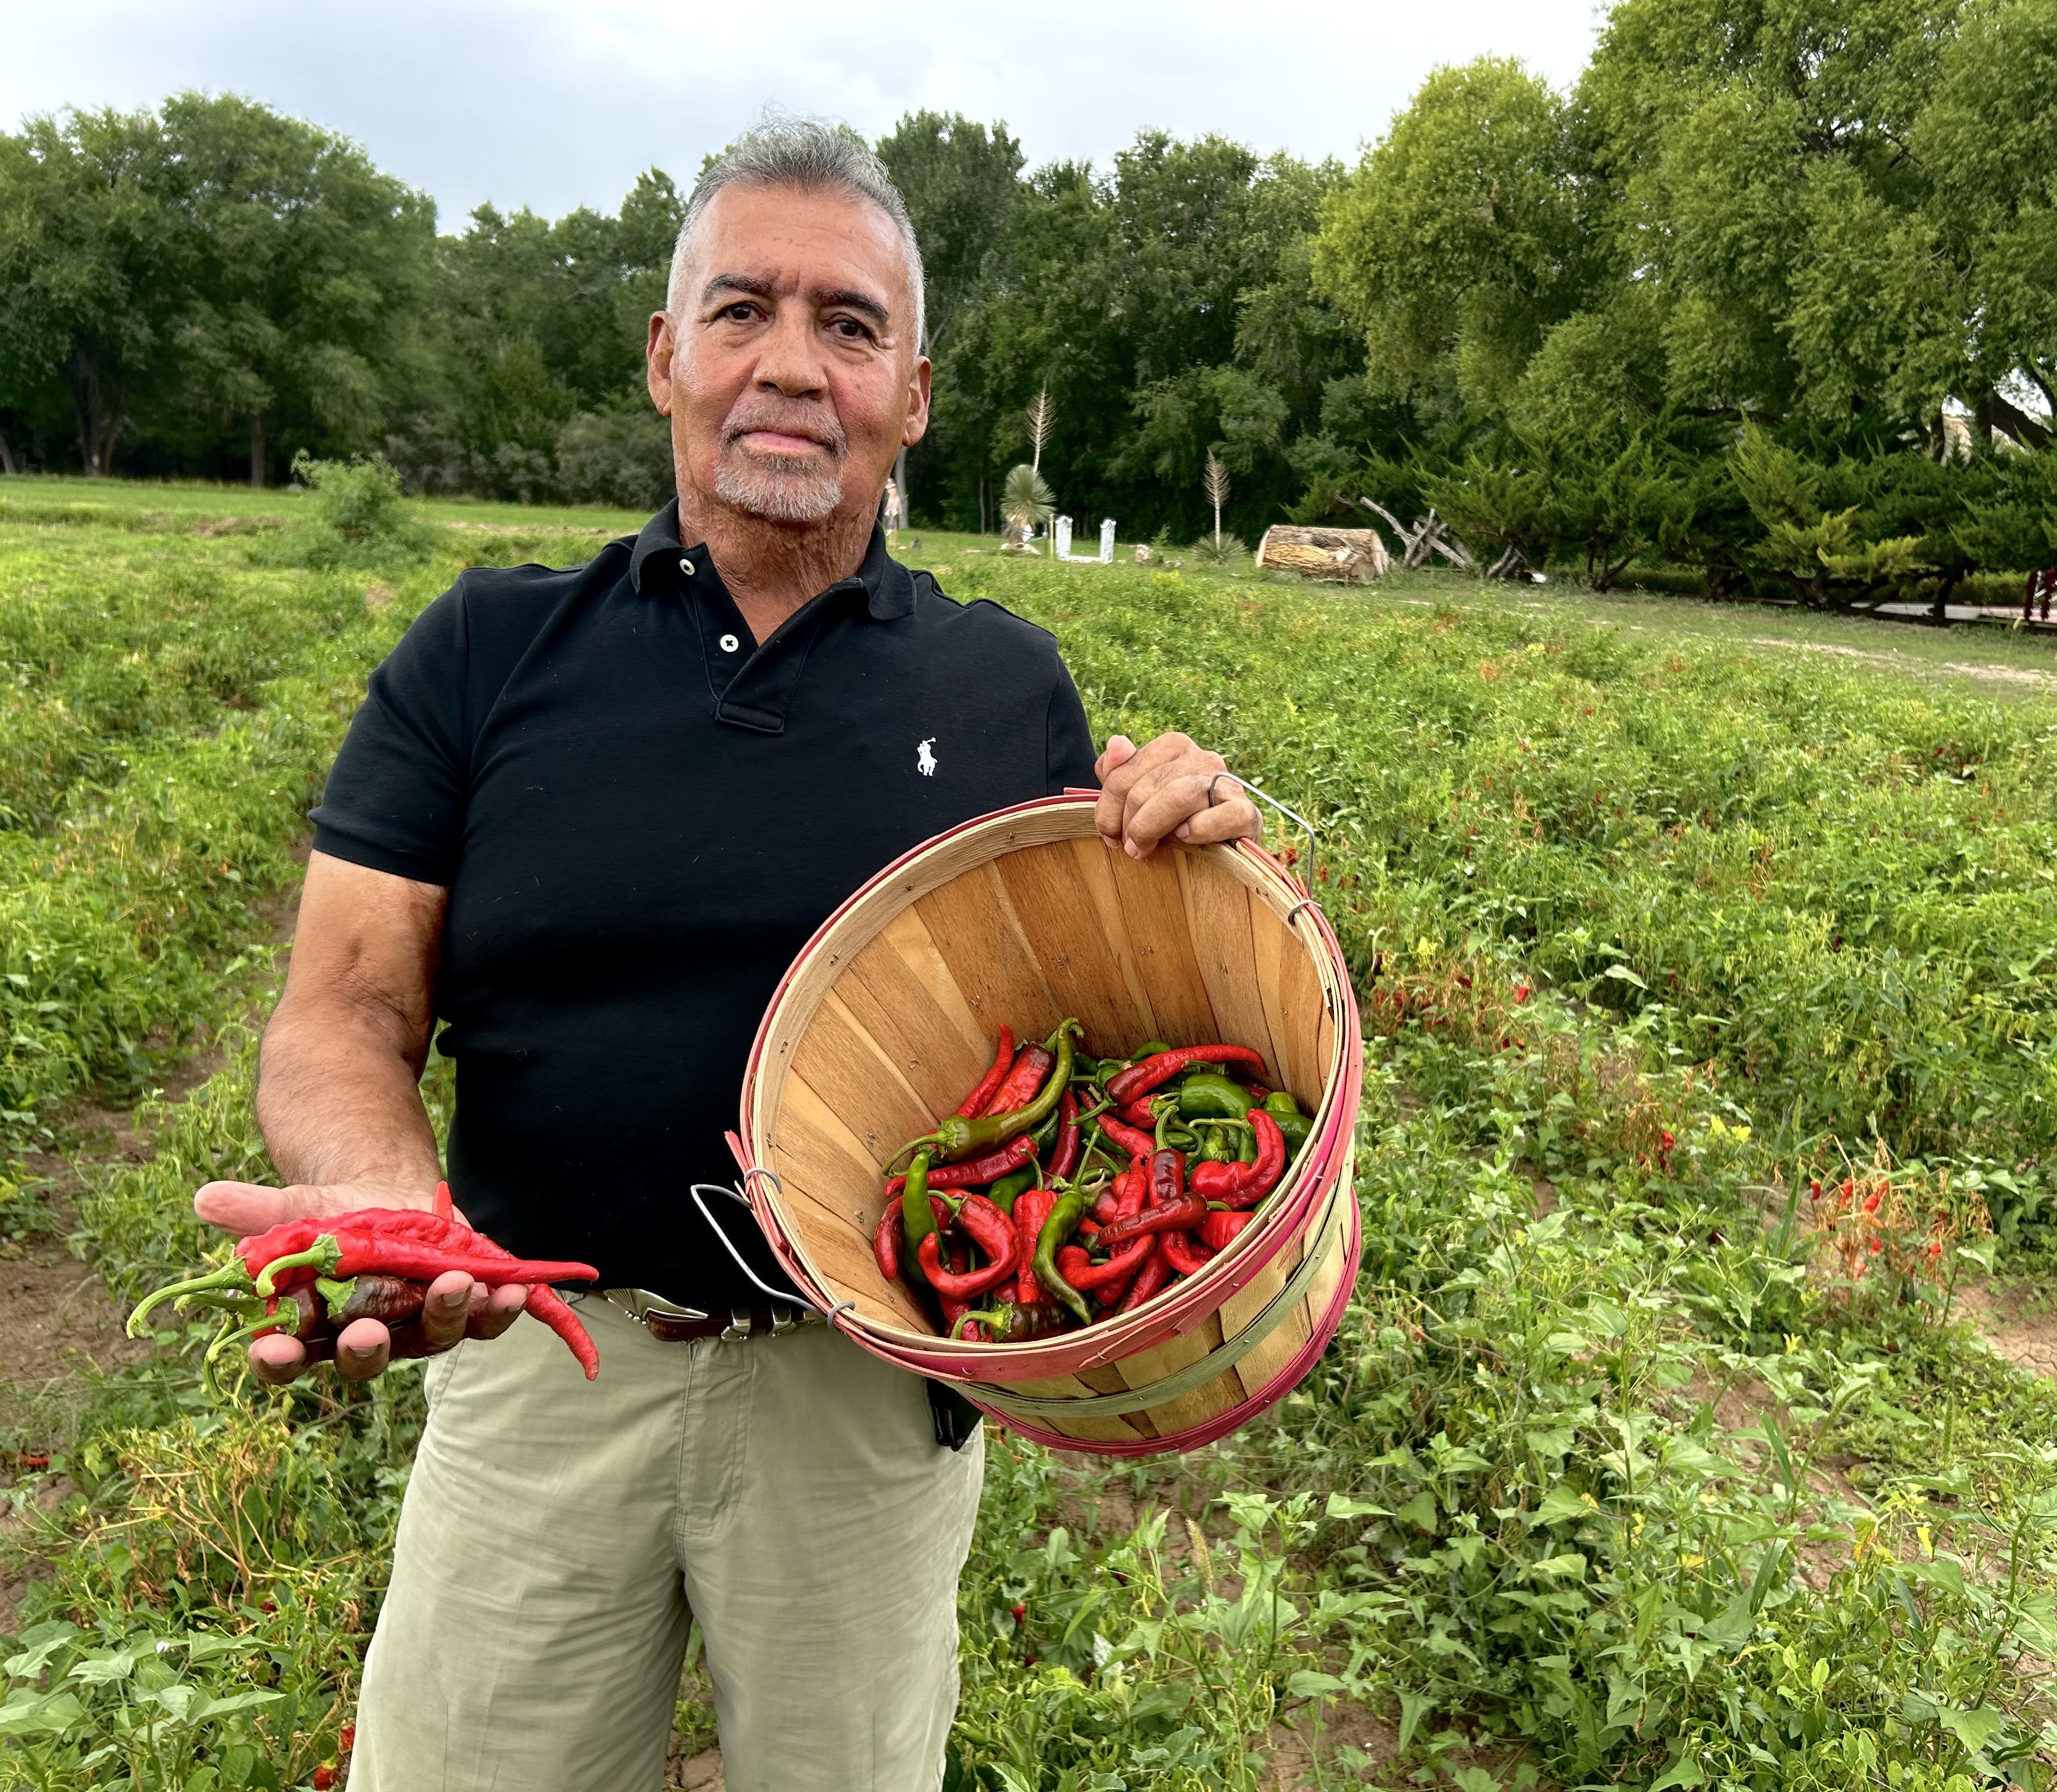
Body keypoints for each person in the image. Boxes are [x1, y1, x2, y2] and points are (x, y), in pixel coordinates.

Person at [188, 120, 1263, 1792]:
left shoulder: (1000, 690)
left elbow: (1112, 1035)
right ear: (664, 357)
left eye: (850, 325)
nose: (792, 366)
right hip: (542, 1362)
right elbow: (344, 1003)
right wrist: (378, 1194)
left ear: (914, 391)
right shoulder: (484, 650)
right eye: (742, 309)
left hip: (859, 1397)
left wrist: (1193, 842)